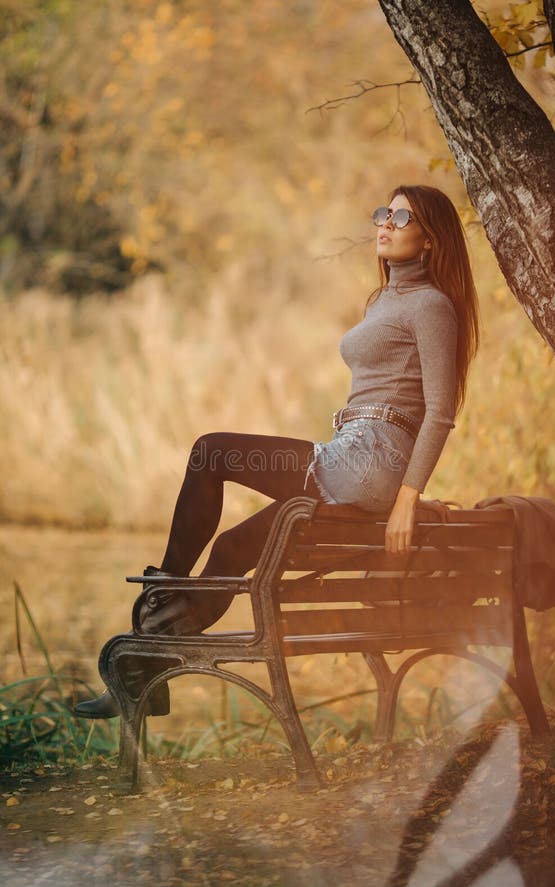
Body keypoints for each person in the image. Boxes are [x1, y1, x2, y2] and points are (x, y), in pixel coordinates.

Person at [74, 183, 479, 719]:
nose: (384, 222)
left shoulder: (432, 307)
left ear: (430, 239)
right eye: (383, 212)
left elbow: (440, 412)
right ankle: (149, 663)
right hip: (351, 451)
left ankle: (149, 626)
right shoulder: (384, 299)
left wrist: (408, 498)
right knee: (231, 550)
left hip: (371, 460)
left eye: (402, 217)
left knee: (211, 452)